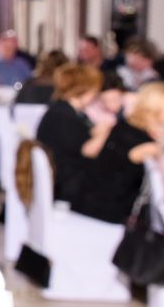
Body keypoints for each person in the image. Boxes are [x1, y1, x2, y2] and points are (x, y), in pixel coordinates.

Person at [75, 82, 164, 224]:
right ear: (154, 109)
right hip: (105, 214)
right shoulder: (132, 136)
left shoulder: (130, 127)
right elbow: (141, 152)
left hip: (100, 207)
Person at [35, 64, 111, 206]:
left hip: (64, 176)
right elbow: (88, 151)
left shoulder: (63, 110)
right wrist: (105, 130)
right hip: (68, 183)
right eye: (94, 89)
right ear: (83, 89)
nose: (97, 93)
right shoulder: (64, 116)